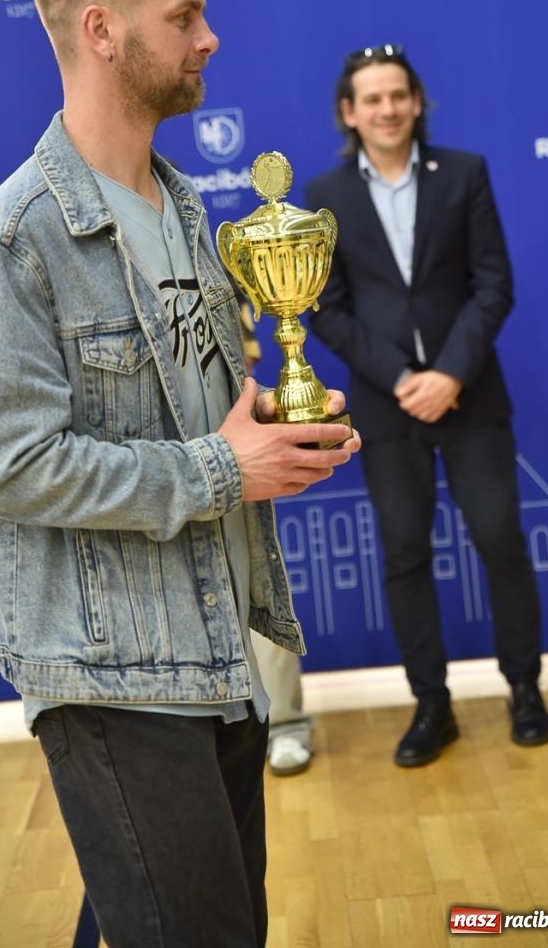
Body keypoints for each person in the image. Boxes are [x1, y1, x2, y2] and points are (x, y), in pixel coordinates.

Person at [0, 0, 361, 948]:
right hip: (110, 680)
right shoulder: (16, 243)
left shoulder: (184, 211)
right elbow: (13, 464)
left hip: (216, 655)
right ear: (100, 30)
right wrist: (225, 470)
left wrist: (279, 423)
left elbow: (196, 418)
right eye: (183, 16)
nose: (209, 35)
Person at [304, 43, 548, 768]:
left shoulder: (465, 175)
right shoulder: (324, 197)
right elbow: (327, 311)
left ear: (415, 103)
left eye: (397, 96)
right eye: (370, 99)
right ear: (348, 113)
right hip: (387, 410)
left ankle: (525, 689)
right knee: (405, 554)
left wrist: (447, 374)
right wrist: (402, 379)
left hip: (470, 398)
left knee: (501, 542)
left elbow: (491, 285)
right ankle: (431, 706)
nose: (386, 109)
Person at [232, 281, 315, 776]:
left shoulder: (195, 245)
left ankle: (285, 723)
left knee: (255, 576)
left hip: (227, 430)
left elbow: (243, 354)